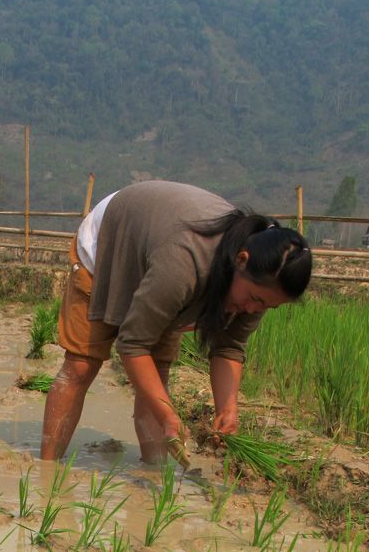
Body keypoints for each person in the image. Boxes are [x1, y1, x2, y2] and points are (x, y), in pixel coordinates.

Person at [39, 180, 312, 467]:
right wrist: (168, 415)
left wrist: (227, 409)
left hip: (159, 256)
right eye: (255, 299)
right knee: (81, 365)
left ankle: (155, 474)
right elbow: (132, 344)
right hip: (111, 239)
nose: (253, 310)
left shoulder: (260, 286)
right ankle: (46, 470)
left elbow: (229, 347)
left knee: (157, 372)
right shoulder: (183, 264)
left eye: (267, 306)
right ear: (241, 260)